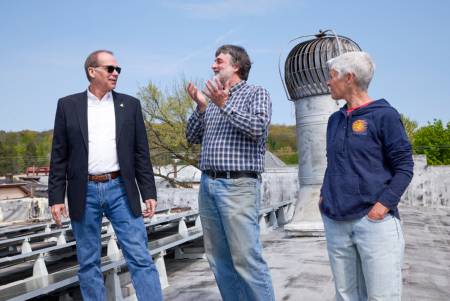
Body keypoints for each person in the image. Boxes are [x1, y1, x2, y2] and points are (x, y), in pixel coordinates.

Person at [48, 50, 163, 301]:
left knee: (140, 256)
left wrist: (149, 192)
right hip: (83, 192)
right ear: (92, 71)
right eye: (110, 69)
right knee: (88, 263)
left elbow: (140, 153)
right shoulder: (67, 106)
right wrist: (55, 197)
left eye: (118, 70)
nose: (116, 74)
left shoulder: (130, 105)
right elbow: (59, 156)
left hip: (121, 188)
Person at [319, 51, 414, 301]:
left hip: (374, 223)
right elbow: (334, 163)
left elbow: (404, 167)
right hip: (335, 221)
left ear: (349, 78)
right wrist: (323, 196)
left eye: (331, 76)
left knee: (382, 297)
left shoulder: (385, 115)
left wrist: (382, 207)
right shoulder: (334, 120)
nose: (328, 82)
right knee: (346, 296)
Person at [186, 44, 275, 301]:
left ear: (236, 65)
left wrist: (224, 104)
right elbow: (192, 137)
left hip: (238, 186)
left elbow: (257, 128)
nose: (213, 66)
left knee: (246, 259)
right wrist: (202, 107)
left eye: (219, 61)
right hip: (208, 186)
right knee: (218, 260)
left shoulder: (255, 93)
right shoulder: (211, 102)